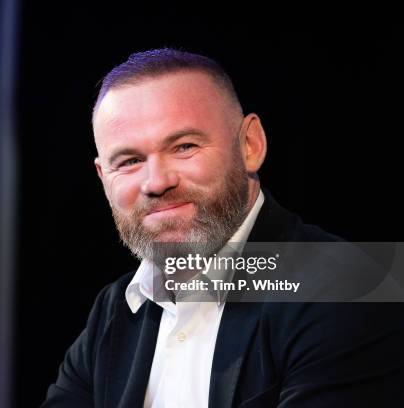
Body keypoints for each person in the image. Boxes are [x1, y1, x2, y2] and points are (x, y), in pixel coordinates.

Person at [41, 48, 404, 407]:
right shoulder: (115, 310)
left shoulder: (352, 289)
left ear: (250, 145)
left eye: (184, 146)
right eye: (130, 161)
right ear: (103, 177)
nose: (156, 181)